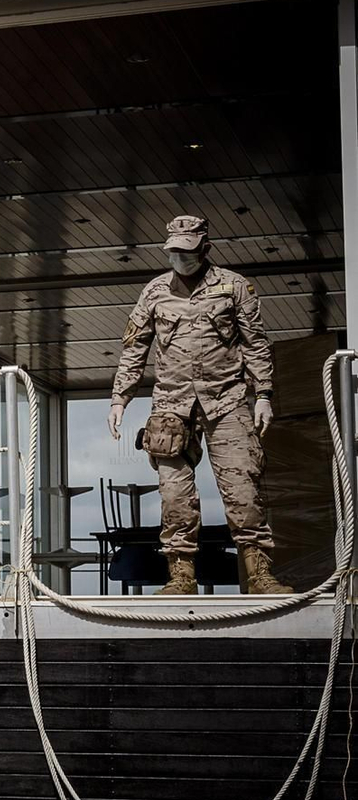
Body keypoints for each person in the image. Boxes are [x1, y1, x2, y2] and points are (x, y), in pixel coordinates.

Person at [108, 215, 291, 595]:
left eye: (187, 251)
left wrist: (265, 395)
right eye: (174, 251)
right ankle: (180, 576)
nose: (180, 258)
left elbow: (255, 344)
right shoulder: (155, 291)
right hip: (171, 406)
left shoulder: (234, 286)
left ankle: (258, 574)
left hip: (227, 402)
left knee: (243, 489)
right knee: (174, 494)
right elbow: (134, 348)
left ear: (204, 248)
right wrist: (119, 398)